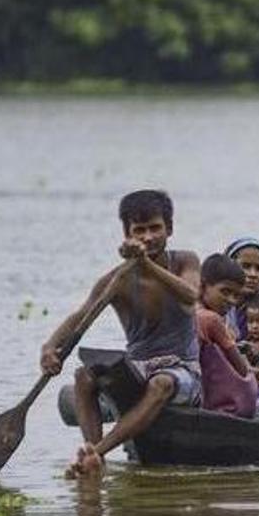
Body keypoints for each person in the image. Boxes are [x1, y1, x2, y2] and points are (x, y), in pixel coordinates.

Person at [45, 190, 201, 478]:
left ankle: (97, 452)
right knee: (83, 376)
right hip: (137, 369)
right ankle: (93, 456)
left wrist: (146, 264)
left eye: (155, 228)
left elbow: (190, 295)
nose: (148, 236)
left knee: (162, 384)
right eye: (139, 230)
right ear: (127, 235)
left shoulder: (185, 261)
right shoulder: (116, 280)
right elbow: (81, 316)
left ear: (169, 228)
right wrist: (50, 347)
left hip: (182, 371)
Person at [195, 253, 251, 379]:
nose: (231, 300)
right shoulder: (211, 319)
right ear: (202, 286)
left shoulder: (185, 309)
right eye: (225, 292)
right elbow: (242, 370)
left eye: (236, 296)